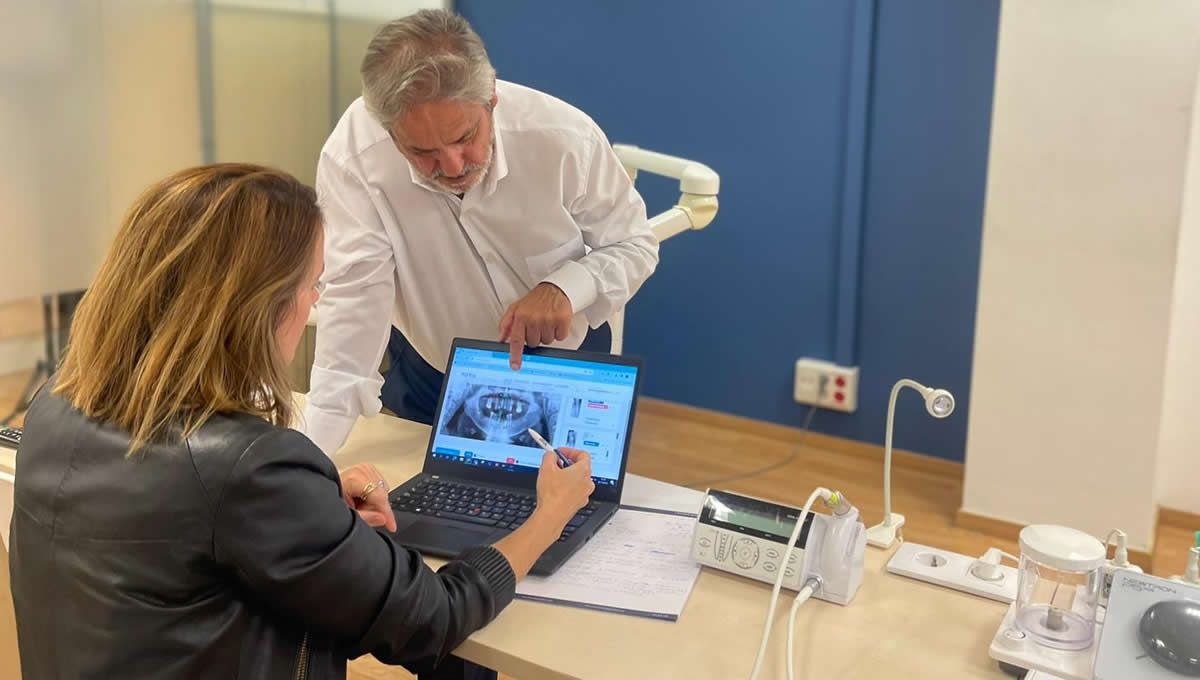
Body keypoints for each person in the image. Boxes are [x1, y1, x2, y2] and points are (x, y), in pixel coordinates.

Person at [7, 163, 595, 679]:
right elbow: (433, 619)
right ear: (256, 307)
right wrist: (550, 514)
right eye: (312, 284)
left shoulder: (53, 409)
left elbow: (174, 531)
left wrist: (309, 506)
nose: (315, 301)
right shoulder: (249, 467)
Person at [303, 9, 659, 455]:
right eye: (422, 152)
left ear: (491, 97)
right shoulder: (354, 159)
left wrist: (565, 288)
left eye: (464, 137)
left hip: (566, 367)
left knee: (569, 493)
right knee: (430, 494)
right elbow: (355, 297)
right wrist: (309, 456)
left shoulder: (563, 137)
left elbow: (634, 243)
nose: (452, 166)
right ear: (389, 133)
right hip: (436, 371)